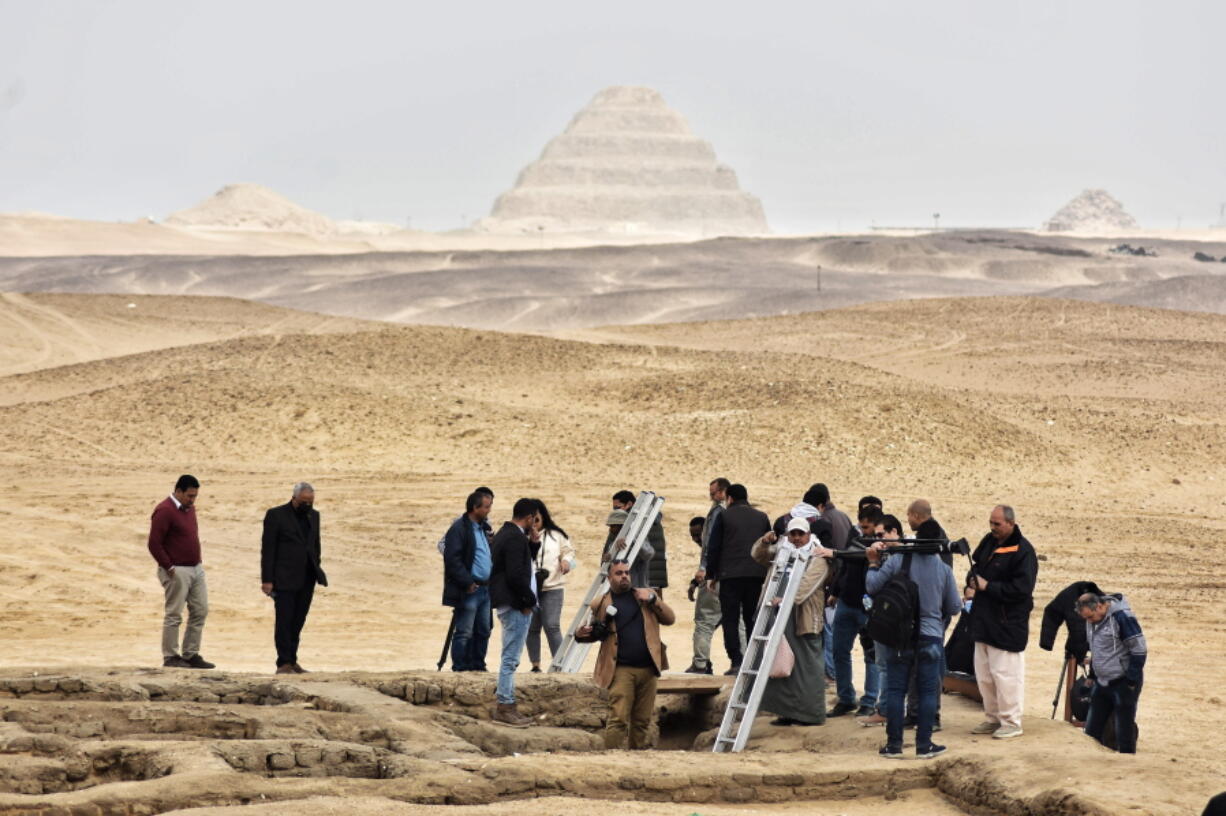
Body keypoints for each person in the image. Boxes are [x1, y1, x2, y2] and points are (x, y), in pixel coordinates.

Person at [866, 518, 962, 759]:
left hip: (899, 636)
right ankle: (924, 745)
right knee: (929, 692)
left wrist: (872, 563)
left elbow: (872, 587)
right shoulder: (943, 569)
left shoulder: (899, 560)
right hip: (930, 636)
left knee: (897, 690)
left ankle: (894, 745)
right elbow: (953, 607)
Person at [575, 559, 675, 749]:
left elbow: (670, 619)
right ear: (609, 577)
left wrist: (654, 600)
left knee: (642, 720)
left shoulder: (646, 596)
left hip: (649, 669)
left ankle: (636, 759)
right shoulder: (601, 603)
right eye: (619, 573)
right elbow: (595, 633)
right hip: (621, 670)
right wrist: (581, 635)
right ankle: (612, 758)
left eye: (627, 572)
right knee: (618, 718)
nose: (624, 577)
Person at [753, 517, 833, 726]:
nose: (796, 538)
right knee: (781, 663)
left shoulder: (818, 557)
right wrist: (764, 541)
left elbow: (805, 588)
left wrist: (786, 599)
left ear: (808, 535)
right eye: (793, 534)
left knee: (808, 666)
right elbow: (758, 556)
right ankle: (786, 713)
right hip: (779, 615)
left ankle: (810, 714)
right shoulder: (783, 551)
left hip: (803, 618)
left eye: (800, 534)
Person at [968, 504, 1038, 740]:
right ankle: (993, 718)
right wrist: (972, 582)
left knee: (1006, 675)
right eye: (991, 522)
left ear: (1010, 523)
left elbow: (1022, 589)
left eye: (997, 524)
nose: (992, 527)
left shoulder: (1023, 551)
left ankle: (1011, 721)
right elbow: (975, 566)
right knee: (985, 676)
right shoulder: (989, 541)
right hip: (983, 620)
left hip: (1007, 624)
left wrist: (989, 587)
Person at [261, 482, 328, 674]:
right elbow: (268, 549)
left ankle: (292, 659)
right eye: (304, 501)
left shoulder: (314, 516)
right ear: (294, 498)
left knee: (298, 621)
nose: (308, 505)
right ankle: (283, 663)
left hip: (307, 577)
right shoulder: (276, 515)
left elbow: (315, 545)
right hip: (284, 578)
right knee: (284, 621)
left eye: (311, 501)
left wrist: (316, 567)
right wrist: (267, 580)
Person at [147, 474, 213, 669]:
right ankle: (170, 656)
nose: (192, 500)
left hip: (195, 568)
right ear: (178, 491)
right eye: (190, 496)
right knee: (174, 613)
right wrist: (169, 566)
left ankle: (191, 654)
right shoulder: (164, 510)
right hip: (177, 570)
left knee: (200, 610)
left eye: (195, 496)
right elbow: (154, 543)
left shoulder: (189, 509)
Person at [705, 483, 771, 674]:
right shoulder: (761, 517)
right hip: (756, 575)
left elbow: (714, 546)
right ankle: (754, 660)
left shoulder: (724, 515)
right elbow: (768, 546)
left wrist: (711, 574)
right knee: (752, 618)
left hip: (730, 576)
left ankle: (736, 660)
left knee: (730, 619)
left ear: (730, 498)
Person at [828, 505, 883, 718]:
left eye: (866, 526)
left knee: (871, 656)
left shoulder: (883, 542)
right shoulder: (855, 535)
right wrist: (835, 591)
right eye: (861, 525)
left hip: (869, 608)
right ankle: (846, 699)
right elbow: (845, 564)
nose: (863, 530)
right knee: (839, 652)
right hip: (847, 603)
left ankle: (869, 700)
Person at [489, 498, 540, 727]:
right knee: (511, 658)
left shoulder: (507, 534)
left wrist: (533, 544)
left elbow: (517, 564)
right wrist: (529, 599)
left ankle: (506, 702)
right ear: (528, 518)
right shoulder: (514, 537)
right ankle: (505, 705)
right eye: (534, 520)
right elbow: (515, 574)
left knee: (509, 656)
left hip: (508, 602)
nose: (535, 524)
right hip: (515, 604)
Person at [1077, 592, 1146, 754]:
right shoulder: (1092, 620)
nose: (1089, 622)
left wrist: (1130, 681)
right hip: (1102, 682)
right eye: (1085, 618)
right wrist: (1093, 676)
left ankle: (1126, 765)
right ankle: (1092, 764)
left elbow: (1139, 649)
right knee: (1091, 731)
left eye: (1090, 617)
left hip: (1122, 682)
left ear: (1100, 606)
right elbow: (1097, 649)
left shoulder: (1122, 618)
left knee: (1123, 730)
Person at [856, 514, 904, 727]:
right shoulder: (898, 554)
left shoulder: (897, 556)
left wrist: (873, 562)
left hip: (891, 618)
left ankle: (885, 710)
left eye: (882, 534)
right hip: (895, 617)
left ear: (895, 532)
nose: (880, 539)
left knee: (885, 665)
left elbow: (873, 585)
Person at [441, 490, 495, 672]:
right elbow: (452, 559)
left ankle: (478, 665)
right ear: (475, 507)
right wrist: (467, 582)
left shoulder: (484, 528)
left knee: (483, 630)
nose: (489, 510)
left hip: (485, 589)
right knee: (464, 631)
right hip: (470, 588)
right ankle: (461, 667)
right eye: (486, 507)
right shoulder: (459, 529)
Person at [527, 498, 576, 672]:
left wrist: (566, 561)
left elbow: (569, 552)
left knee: (552, 625)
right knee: (532, 628)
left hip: (553, 587)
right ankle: (535, 665)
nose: (534, 519)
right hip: (530, 588)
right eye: (530, 516)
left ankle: (559, 664)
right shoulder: (522, 534)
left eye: (536, 515)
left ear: (542, 514)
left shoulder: (557, 534)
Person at [688, 477, 729, 674]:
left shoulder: (718, 512)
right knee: (736, 621)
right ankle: (741, 664)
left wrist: (704, 570)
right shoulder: (735, 514)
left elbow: (710, 546)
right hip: (732, 576)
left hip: (714, 576)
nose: (711, 496)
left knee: (704, 622)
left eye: (713, 493)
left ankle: (700, 664)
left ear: (723, 492)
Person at [612, 490, 667, 590]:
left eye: (617, 507)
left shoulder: (633, 521)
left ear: (629, 504)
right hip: (653, 566)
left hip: (644, 565)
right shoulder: (648, 517)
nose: (615, 511)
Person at [604, 508, 655, 588]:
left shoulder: (637, 536)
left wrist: (630, 541)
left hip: (637, 587)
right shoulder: (613, 540)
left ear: (622, 526)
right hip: (619, 588)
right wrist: (607, 559)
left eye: (613, 526)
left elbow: (648, 554)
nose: (611, 529)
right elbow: (609, 567)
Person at [437, 486, 494, 555]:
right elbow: (442, 544)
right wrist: (458, 560)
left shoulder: (487, 523)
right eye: (486, 506)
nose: (489, 509)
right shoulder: (460, 522)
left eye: (490, 505)